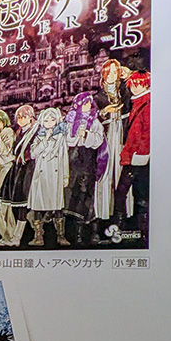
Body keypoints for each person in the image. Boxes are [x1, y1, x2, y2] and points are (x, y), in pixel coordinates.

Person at [94, 59, 131, 232]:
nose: (112, 76)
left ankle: (123, 214)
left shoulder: (124, 90)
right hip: (106, 138)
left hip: (122, 135)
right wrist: (105, 112)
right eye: (109, 72)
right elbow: (93, 118)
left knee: (122, 173)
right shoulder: (98, 96)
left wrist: (128, 74)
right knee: (106, 172)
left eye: (115, 72)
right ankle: (104, 214)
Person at [63, 92, 104, 246]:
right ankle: (75, 232)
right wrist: (75, 137)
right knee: (72, 194)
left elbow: (98, 140)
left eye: (88, 103)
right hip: (73, 161)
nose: (86, 106)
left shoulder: (95, 121)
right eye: (83, 103)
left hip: (88, 160)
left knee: (86, 193)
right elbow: (67, 140)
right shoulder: (70, 120)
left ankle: (91, 230)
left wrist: (87, 135)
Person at [26, 107, 70, 247]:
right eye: (46, 120)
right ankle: (38, 235)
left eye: (52, 119)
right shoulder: (39, 137)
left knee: (57, 207)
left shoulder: (61, 137)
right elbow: (33, 154)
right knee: (38, 206)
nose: (49, 122)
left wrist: (65, 176)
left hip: (55, 174)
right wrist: (45, 139)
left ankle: (61, 235)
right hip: (41, 174)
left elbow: (64, 156)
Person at [115, 71, 151, 238]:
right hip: (133, 154)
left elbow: (147, 132)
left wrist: (141, 153)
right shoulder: (137, 102)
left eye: (139, 84)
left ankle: (129, 228)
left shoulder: (147, 103)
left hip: (138, 156)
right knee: (136, 192)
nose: (135, 87)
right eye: (133, 84)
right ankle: (137, 229)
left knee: (127, 192)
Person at [0, 104, 38, 242]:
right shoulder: (19, 132)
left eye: (24, 117)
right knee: (15, 203)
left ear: (31, 117)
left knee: (23, 204)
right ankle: (17, 235)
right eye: (19, 117)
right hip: (18, 168)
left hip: (29, 169)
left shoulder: (35, 131)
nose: (21, 120)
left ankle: (18, 236)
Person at [0, 110, 26, 246]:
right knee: (1, 204)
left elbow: (5, 151)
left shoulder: (8, 132)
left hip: (7, 167)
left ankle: (8, 236)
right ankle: (8, 236)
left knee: (1, 203)